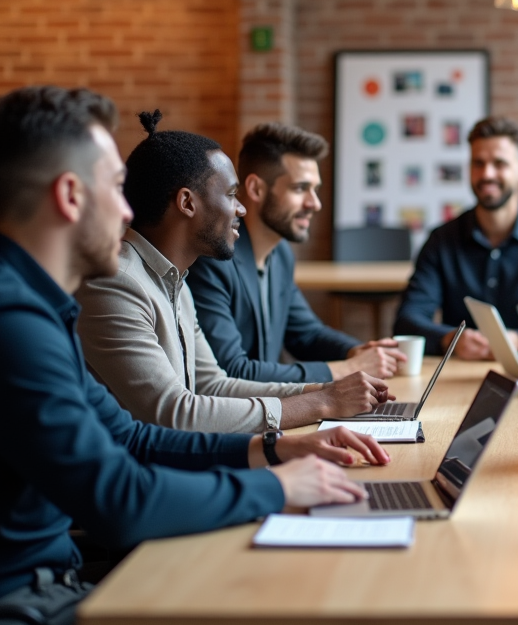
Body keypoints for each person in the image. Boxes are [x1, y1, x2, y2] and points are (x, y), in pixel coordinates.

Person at [0, 86, 387, 625]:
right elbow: (119, 500)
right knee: (289, 621)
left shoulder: (26, 305)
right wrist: (274, 487)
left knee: (294, 609)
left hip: (51, 589)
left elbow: (130, 435)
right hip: (9, 618)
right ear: (71, 195)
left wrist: (272, 449)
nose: (129, 212)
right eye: (117, 191)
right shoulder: (2, 322)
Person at [77, 110, 395, 433]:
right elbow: (175, 413)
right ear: (187, 203)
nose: (241, 208)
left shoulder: (176, 281)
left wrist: (323, 392)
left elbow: (214, 385)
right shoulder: (117, 282)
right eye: (231, 195)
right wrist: (322, 403)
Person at [188, 123, 407, 383]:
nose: (315, 203)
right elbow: (231, 371)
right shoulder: (212, 260)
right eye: (300, 188)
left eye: (315, 190)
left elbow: (306, 334)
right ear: (256, 189)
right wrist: (346, 369)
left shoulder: (280, 254)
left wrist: (357, 351)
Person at [393, 116, 518, 360]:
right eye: (478, 163)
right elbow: (407, 320)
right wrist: (450, 340)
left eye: (499, 163)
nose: (487, 174)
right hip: (459, 374)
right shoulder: (441, 240)